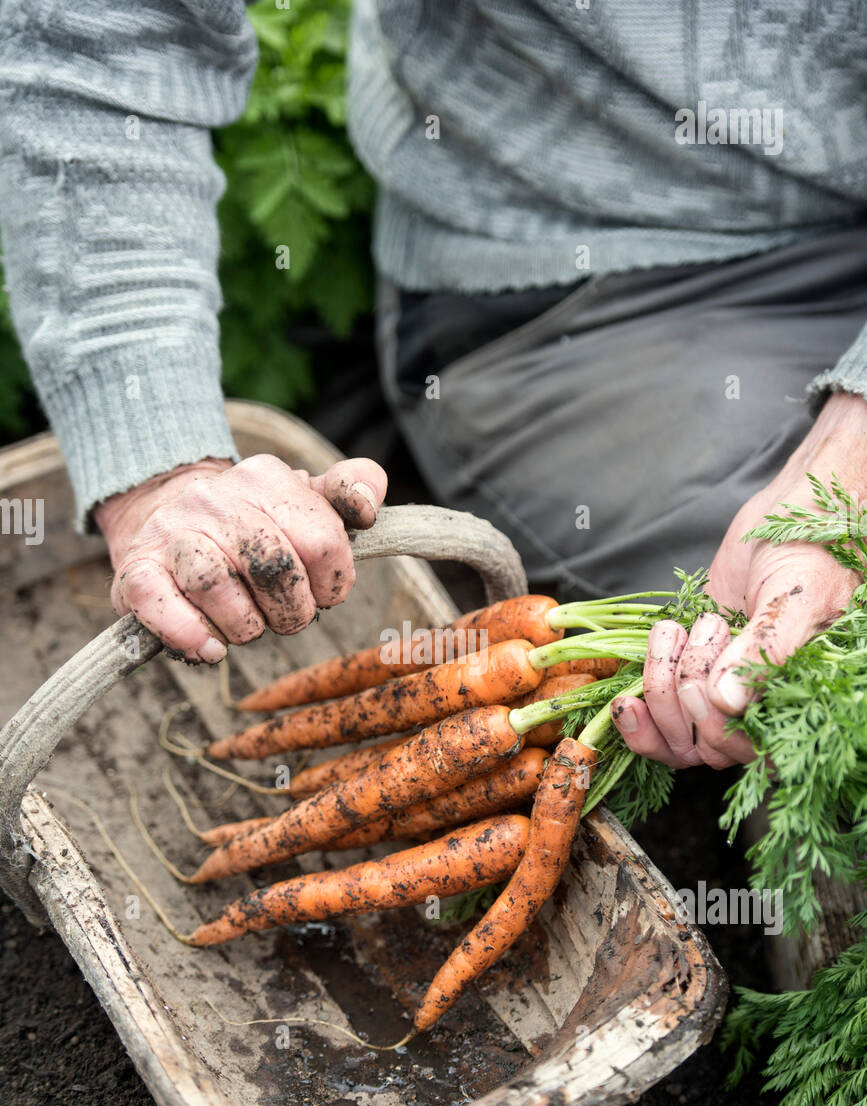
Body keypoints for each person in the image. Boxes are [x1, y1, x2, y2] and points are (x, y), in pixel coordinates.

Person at [0, 1, 864, 773]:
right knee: (784, 677)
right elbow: (95, 39)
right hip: (610, 272)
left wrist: (844, 468)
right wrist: (158, 466)